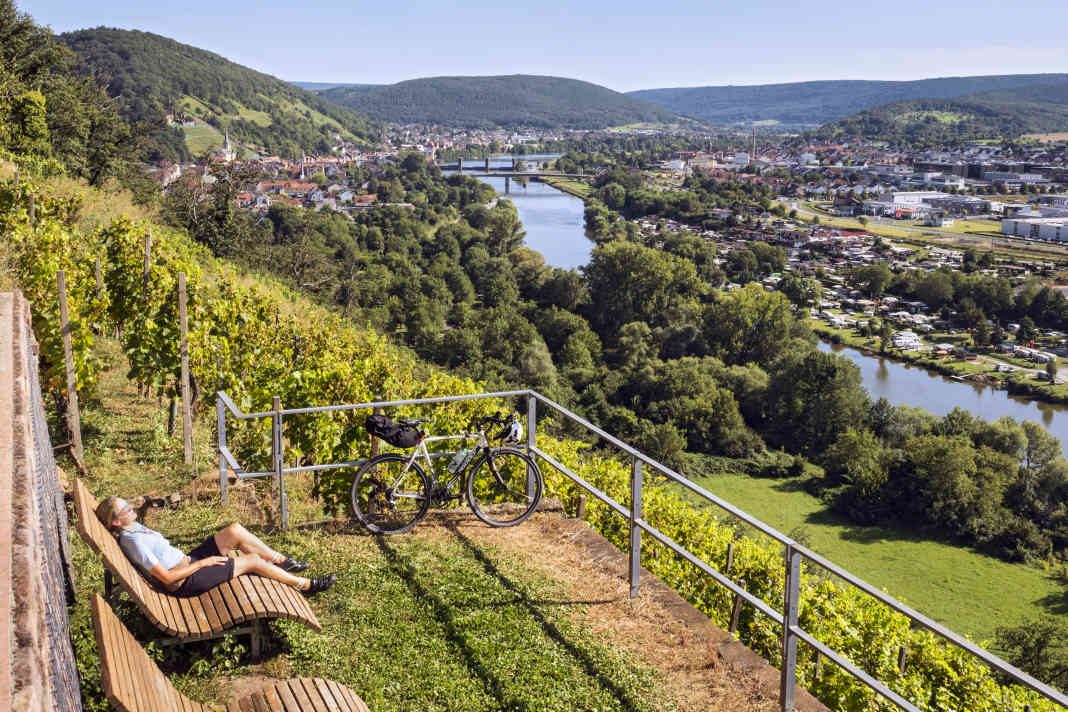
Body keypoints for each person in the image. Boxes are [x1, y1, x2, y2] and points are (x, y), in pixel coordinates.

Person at [95, 496, 335, 598]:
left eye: (126, 504)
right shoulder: (134, 541)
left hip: (188, 563)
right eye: (123, 509)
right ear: (116, 522)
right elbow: (167, 578)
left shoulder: (133, 529)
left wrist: (196, 561)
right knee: (252, 561)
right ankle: (304, 585)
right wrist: (203, 563)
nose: (129, 508)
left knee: (235, 531)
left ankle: (283, 561)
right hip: (186, 581)